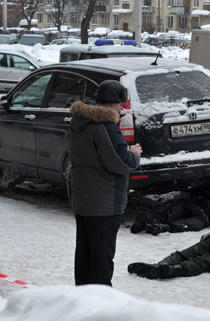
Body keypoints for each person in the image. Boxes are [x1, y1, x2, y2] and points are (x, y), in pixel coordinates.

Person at [69, 79, 142, 286]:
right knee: (102, 259)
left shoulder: (80, 122)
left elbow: (97, 156)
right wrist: (134, 154)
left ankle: (82, 300)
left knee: (85, 256)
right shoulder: (106, 127)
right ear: (111, 104)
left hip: (83, 199)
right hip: (104, 203)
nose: (122, 108)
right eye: (121, 104)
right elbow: (121, 162)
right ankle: (100, 306)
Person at [127, 220, 210, 279]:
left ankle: (162, 265)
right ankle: (172, 270)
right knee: (201, 263)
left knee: (184, 254)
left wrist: (206, 240)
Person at [131, 189, 210, 236]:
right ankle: (148, 221)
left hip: (204, 219)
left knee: (187, 224)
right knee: (173, 211)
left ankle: (160, 227)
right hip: (195, 205)